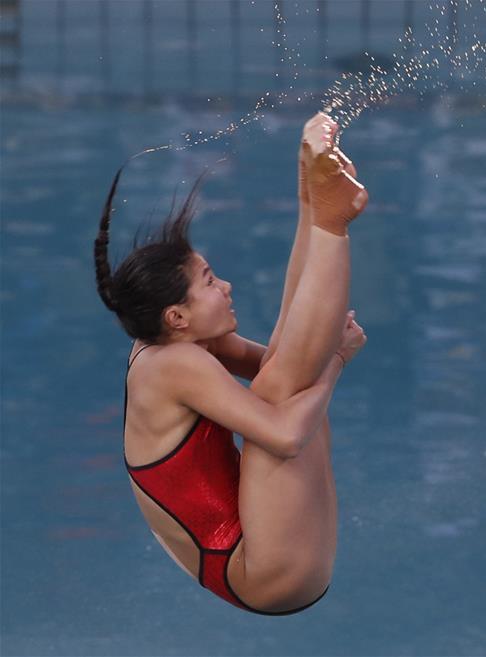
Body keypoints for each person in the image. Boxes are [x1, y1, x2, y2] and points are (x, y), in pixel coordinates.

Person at [94, 113, 368, 614]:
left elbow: (290, 358)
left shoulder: (174, 340)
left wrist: (310, 189)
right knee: (279, 398)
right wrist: (336, 365)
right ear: (177, 316)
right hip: (263, 573)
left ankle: (317, 201)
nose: (226, 287)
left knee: (284, 375)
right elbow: (285, 433)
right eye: (210, 281)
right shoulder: (170, 365)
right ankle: (331, 222)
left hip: (277, 552)